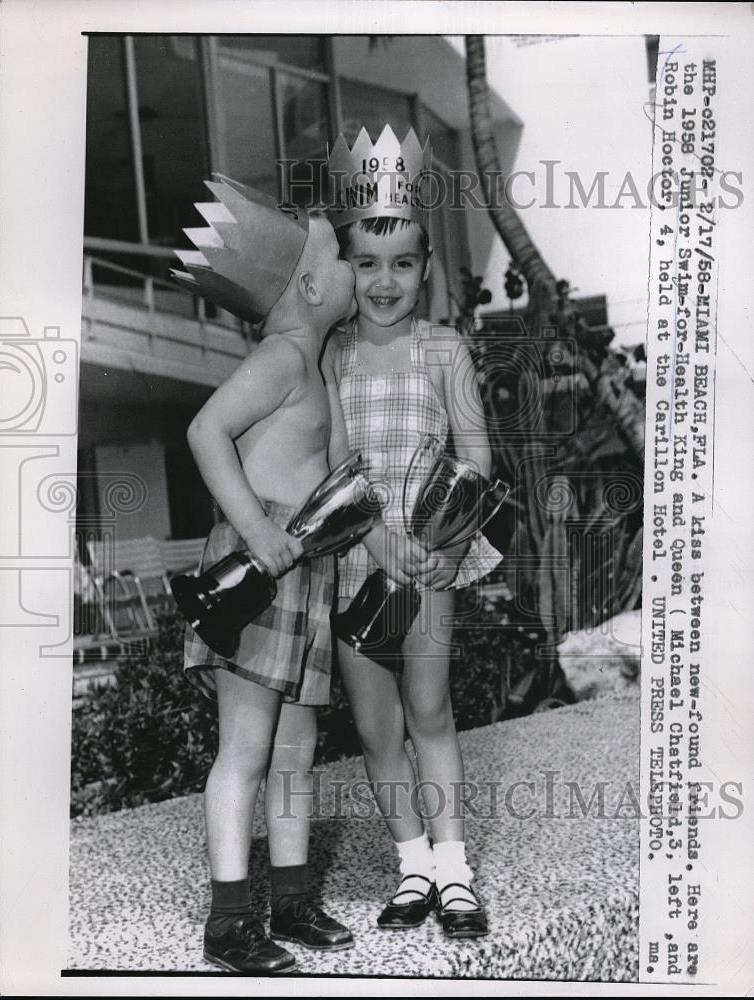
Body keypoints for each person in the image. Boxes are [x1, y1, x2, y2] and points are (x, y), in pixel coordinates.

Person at [323, 127, 503, 939]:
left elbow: (478, 456)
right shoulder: (333, 359)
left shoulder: (444, 349)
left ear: (426, 267)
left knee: (428, 710)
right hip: (356, 562)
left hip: (430, 562)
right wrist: (368, 542)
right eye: (366, 263)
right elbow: (328, 463)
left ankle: (456, 871)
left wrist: (448, 546)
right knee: (374, 725)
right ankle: (413, 868)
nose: (385, 280)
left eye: (401, 263)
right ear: (344, 269)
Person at [174, 177, 356, 974]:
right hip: (257, 567)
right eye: (345, 257)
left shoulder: (315, 369)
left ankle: (288, 898)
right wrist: (253, 527)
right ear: (314, 287)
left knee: (295, 748)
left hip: (301, 568)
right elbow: (204, 428)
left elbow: (342, 469)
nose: (354, 267)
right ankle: (229, 921)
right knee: (246, 750)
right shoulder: (282, 359)